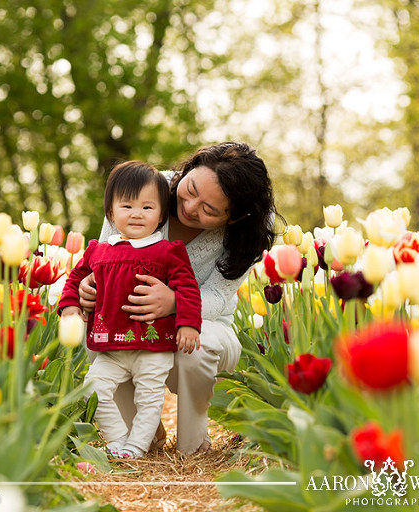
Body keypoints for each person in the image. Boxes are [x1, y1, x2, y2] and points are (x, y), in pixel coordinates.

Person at [78, 142, 278, 455]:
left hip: (207, 326)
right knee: (89, 326)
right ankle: (140, 435)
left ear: (235, 218)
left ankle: (193, 448)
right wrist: (89, 288)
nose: (190, 207)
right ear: (188, 168)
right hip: (132, 324)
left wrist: (174, 302)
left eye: (209, 210)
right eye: (191, 188)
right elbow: (104, 258)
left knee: (199, 344)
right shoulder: (143, 188)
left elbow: (216, 297)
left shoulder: (250, 232)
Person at [59, 161, 202, 459]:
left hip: (152, 346)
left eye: (148, 208)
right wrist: (70, 307)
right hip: (111, 347)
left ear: (162, 215)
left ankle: (135, 449)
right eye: (127, 205)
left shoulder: (168, 251)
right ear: (111, 212)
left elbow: (187, 289)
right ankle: (117, 440)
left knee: (149, 400)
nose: (137, 213)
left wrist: (188, 324)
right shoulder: (98, 249)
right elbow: (74, 279)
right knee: (92, 388)